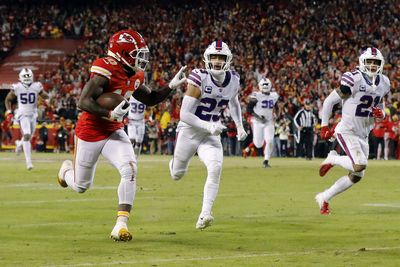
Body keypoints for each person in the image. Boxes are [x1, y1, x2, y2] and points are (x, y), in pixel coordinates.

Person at [56, 29, 186, 241]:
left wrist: (171, 85)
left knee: (130, 169)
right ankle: (65, 173)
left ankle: (121, 225)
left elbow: (151, 98)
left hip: (114, 131)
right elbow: (83, 101)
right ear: (122, 54)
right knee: (81, 186)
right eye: (137, 54)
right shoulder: (105, 68)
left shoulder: (135, 74)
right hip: (90, 131)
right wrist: (108, 112)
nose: (142, 58)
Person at [169, 40, 247, 229]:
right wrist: (208, 126)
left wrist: (240, 125)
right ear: (207, 58)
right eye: (214, 57)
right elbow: (184, 114)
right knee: (177, 174)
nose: (217, 61)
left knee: (215, 167)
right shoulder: (199, 77)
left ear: (227, 60)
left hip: (211, 133)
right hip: (190, 130)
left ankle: (205, 214)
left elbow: (234, 102)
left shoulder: (234, 79)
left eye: (221, 57)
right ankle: (174, 163)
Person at [316, 47, 391, 215]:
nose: (372, 66)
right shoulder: (354, 79)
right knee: (359, 165)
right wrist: (324, 125)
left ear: (381, 64)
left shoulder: (384, 82)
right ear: (362, 62)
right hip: (347, 130)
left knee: (357, 176)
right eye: (369, 62)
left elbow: (380, 109)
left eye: (376, 62)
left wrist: (380, 113)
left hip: (364, 133)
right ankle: (333, 158)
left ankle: (324, 197)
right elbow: (329, 101)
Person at [5, 68, 49, 170]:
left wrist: (45, 97)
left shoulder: (36, 86)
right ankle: (29, 163)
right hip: (22, 114)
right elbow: (8, 99)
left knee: (28, 137)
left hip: (33, 114)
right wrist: (9, 112)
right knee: (27, 134)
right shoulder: (17, 87)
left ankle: (18, 144)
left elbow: (45, 96)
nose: (27, 78)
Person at [247, 78, 279, 167]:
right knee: (258, 144)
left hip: (269, 122)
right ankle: (257, 149)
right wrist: (258, 117)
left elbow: (276, 106)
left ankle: (266, 160)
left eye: (266, 85)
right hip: (257, 122)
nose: (265, 87)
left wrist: (277, 114)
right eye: (263, 85)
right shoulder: (256, 95)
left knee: (270, 140)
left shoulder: (274, 95)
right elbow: (249, 110)